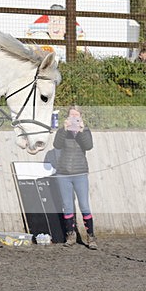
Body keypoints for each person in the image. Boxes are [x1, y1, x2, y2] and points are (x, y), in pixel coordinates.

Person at [53, 105, 98, 249]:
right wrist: (64, 130)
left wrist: (82, 131)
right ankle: (70, 235)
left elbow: (88, 146)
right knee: (67, 206)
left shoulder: (85, 131)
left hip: (80, 173)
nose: (73, 119)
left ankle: (91, 237)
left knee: (84, 205)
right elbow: (57, 145)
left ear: (80, 117)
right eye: (71, 116)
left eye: (76, 116)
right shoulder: (62, 132)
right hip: (63, 173)